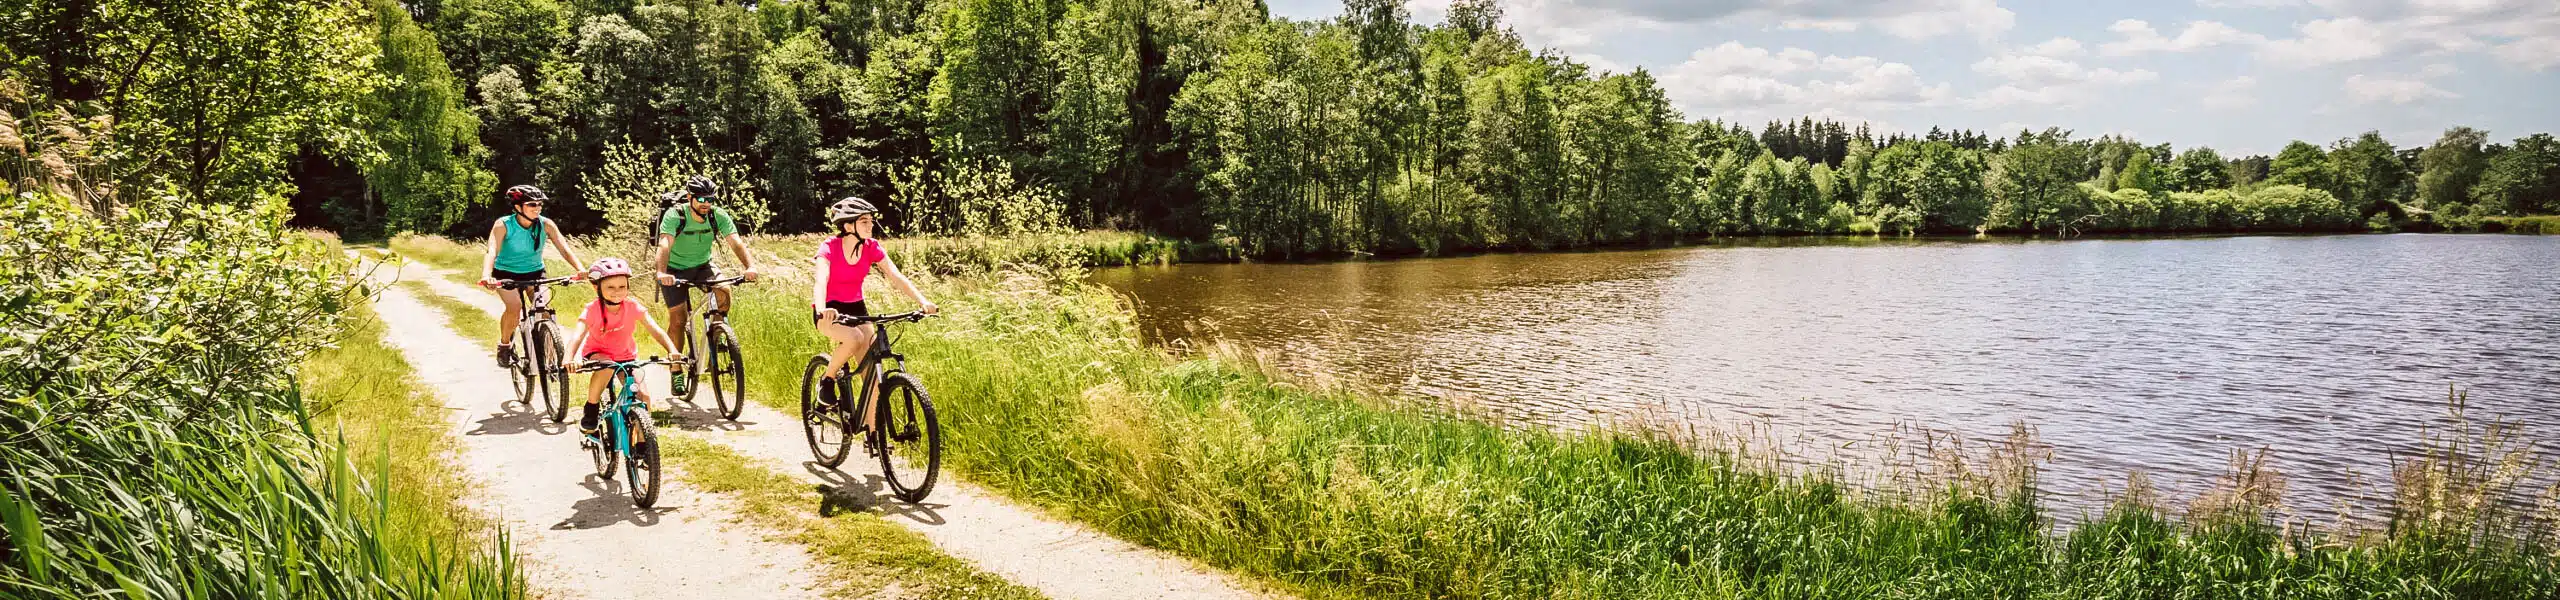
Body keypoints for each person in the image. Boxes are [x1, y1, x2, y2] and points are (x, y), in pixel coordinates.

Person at [810, 197, 937, 427]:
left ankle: (873, 434)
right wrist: (821, 309)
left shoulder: (872, 247)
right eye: (864, 221)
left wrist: (922, 301)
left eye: (871, 221)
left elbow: (896, 276)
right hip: (830, 310)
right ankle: (827, 380)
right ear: (848, 226)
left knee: (871, 377)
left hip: (857, 308)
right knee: (853, 338)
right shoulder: (829, 247)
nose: (870, 226)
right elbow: (821, 280)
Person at [652, 175, 758, 396]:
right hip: (674, 269)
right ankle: (676, 369)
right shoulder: (675, 215)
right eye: (700, 198)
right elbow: (664, 243)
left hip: (703, 265)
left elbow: (735, 242)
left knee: (724, 290)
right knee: (678, 320)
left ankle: (718, 337)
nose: (706, 203)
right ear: (689, 197)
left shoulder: (717, 216)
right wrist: (661, 272)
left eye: (710, 198)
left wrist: (750, 266)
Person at [566, 258, 682, 447]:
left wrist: (672, 350)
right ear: (597, 288)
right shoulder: (593, 309)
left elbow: (656, 330)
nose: (617, 291)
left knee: (643, 397)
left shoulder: (633, 306)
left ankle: (644, 447)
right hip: (597, 354)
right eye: (610, 287)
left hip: (627, 356)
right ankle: (591, 409)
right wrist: (569, 358)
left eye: (622, 286)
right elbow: (577, 336)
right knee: (606, 366)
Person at [476, 185, 585, 369]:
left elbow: (564, 249)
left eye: (540, 204)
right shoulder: (503, 224)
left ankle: (550, 354)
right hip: (505, 273)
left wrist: (581, 269)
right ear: (518, 207)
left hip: (535, 272)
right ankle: (504, 345)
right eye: (532, 204)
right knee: (515, 307)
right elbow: (492, 249)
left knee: (543, 308)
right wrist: (487, 275)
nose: (537, 208)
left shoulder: (546, 224)